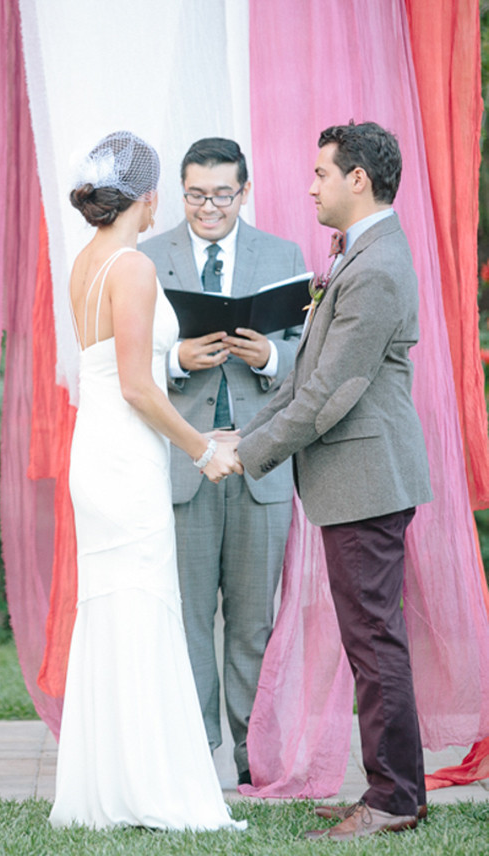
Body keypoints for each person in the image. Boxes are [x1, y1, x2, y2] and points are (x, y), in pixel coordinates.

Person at [236, 121, 433, 841]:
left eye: (322, 173)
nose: (311, 185)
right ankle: (396, 789)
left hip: (367, 480)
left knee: (375, 643)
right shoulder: (364, 255)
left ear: (359, 179)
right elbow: (308, 378)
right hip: (356, 480)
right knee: (371, 641)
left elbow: (329, 396)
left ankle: (391, 799)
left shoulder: (377, 266)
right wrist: (245, 436)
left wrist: (248, 454)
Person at [49, 131, 246, 831]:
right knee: (140, 608)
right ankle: (148, 786)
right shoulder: (131, 267)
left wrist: (178, 368)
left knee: (116, 613)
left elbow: (115, 371)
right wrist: (200, 448)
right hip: (125, 459)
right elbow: (136, 385)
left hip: (96, 452)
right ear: (153, 196)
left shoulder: (87, 261)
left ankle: (113, 784)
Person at [142, 138, 306, 785]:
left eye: (221, 194)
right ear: (181, 192)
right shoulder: (149, 259)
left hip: (258, 464)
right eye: (195, 194)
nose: (208, 207)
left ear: (245, 191)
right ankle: (192, 758)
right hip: (185, 461)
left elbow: (306, 363)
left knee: (251, 620)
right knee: (184, 618)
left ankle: (251, 760)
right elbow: (123, 360)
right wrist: (176, 360)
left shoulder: (282, 257)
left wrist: (266, 355)